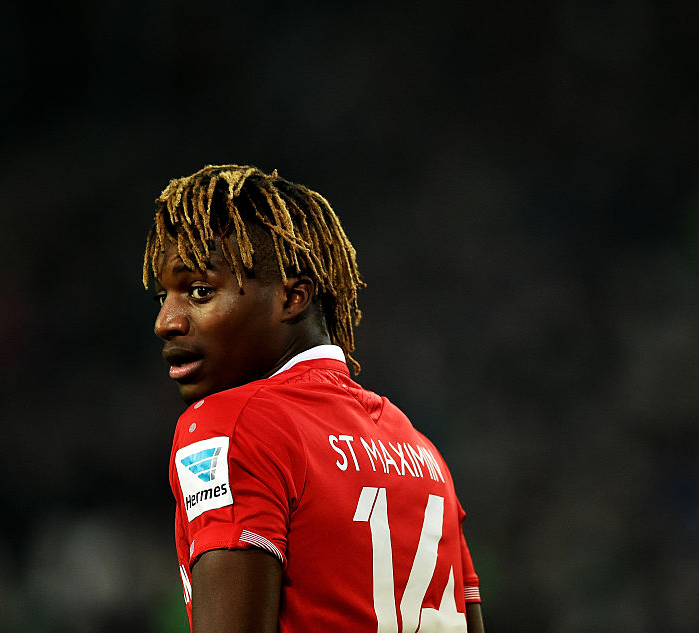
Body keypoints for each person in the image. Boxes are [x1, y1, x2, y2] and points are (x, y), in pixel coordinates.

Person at [142, 164, 484, 633]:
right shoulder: (421, 452)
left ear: (291, 297)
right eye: (164, 295)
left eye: (199, 291)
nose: (166, 321)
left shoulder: (231, 424)